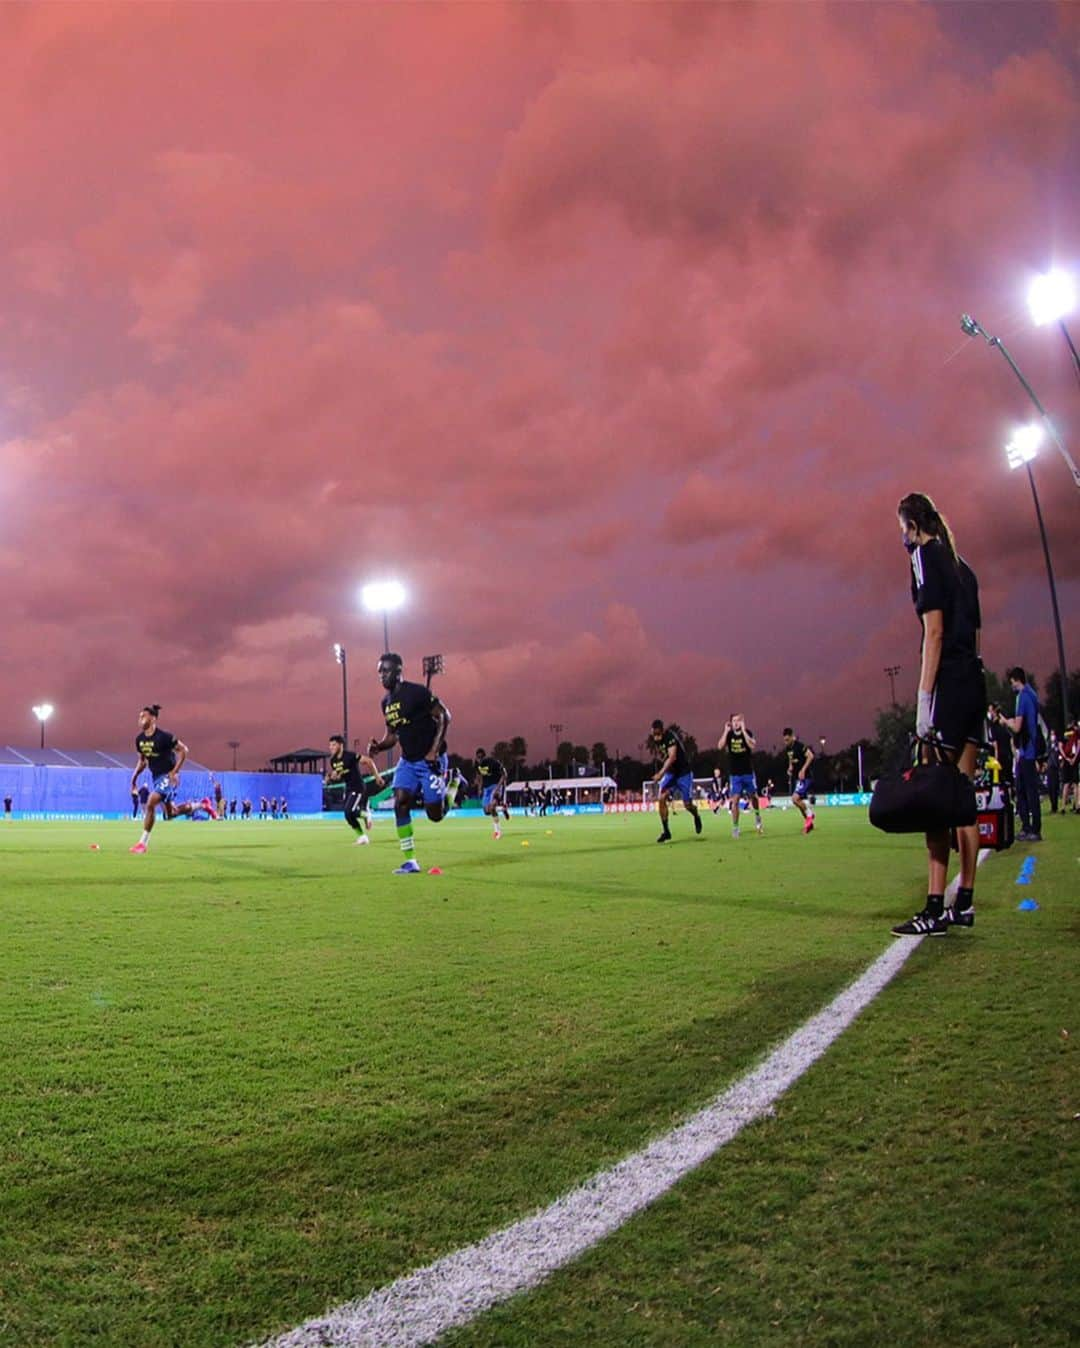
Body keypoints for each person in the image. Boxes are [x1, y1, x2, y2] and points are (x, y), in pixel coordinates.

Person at [891, 494, 985, 936]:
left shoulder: (925, 556)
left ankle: (932, 909)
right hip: (973, 683)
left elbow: (935, 631)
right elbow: (976, 637)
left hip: (947, 683)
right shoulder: (964, 566)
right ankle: (963, 901)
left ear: (912, 525)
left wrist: (925, 698)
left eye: (901, 529)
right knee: (963, 799)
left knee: (934, 800)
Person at [366, 653, 460, 874]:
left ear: (398, 672)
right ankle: (410, 861)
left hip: (430, 760)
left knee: (435, 815)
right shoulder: (386, 703)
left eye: (386, 671)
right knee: (401, 801)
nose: (381, 676)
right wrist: (379, 746)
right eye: (379, 671)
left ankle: (454, 784)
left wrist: (434, 752)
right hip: (407, 761)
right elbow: (392, 735)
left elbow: (444, 716)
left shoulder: (417, 693)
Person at [129, 704, 216, 853]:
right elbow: (142, 761)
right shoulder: (139, 740)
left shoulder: (165, 737)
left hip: (169, 776)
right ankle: (201, 805)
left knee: (150, 802)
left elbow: (184, 750)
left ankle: (142, 844)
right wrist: (134, 778)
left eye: (144, 715)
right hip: (157, 778)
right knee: (171, 814)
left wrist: (174, 772)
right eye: (139, 716)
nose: (140, 718)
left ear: (153, 718)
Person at [999, 667, 1043, 842]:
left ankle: (1031, 828)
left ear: (1017, 680)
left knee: (1025, 791)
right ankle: (1030, 827)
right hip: (1029, 748)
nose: (1012, 686)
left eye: (1012, 683)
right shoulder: (1032, 694)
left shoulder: (1022, 697)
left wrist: (1005, 722)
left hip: (1026, 750)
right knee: (1028, 790)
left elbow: (1017, 727)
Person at [648, 719, 702, 843]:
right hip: (671, 774)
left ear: (663, 731)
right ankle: (666, 831)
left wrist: (661, 773)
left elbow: (672, 757)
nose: (656, 738)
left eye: (658, 734)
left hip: (683, 773)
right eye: (654, 735)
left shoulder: (670, 737)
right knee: (661, 798)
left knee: (687, 805)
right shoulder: (657, 741)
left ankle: (696, 816)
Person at [325, 734, 385, 845]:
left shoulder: (350, 756)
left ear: (341, 745)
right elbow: (339, 776)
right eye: (330, 745)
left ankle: (366, 815)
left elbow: (369, 761)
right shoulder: (333, 760)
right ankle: (362, 837)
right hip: (348, 788)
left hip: (357, 787)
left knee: (349, 811)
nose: (331, 747)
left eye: (334, 745)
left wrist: (377, 777)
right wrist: (332, 778)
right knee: (347, 815)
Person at [718, 714, 762, 837]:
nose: (736, 723)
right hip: (735, 774)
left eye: (738, 721)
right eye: (734, 721)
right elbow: (720, 746)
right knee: (735, 800)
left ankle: (757, 816)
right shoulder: (729, 735)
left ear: (742, 722)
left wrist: (743, 731)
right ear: (731, 723)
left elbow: (752, 745)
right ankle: (736, 827)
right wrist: (725, 731)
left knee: (754, 797)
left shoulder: (747, 732)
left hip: (748, 772)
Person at [782, 728, 816, 834]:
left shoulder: (800, 746)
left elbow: (811, 756)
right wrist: (790, 767)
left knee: (795, 799)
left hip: (806, 777)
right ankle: (809, 823)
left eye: (788, 739)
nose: (786, 742)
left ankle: (810, 815)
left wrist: (803, 770)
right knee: (799, 803)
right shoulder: (788, 748)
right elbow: (791, 759)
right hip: (798, 778)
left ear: (792, 737)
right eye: (785, 740)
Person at [474, 748, 510, 839]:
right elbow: (480, 776)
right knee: (486, 811)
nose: (480, 760)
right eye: (478, 758)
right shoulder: (477, 765)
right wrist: (480, 788)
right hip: (486, 789)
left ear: (484, 757)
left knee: (492, 807)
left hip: (495, 786)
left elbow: (504, 774)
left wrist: (497, 789)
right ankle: (502, 809)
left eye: (481, 757)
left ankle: (497, 832)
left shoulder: (492, 762)